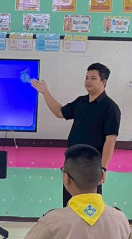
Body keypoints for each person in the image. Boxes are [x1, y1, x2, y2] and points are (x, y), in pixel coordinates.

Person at [31, 62, 121, 205]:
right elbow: (60, 112)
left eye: (93, 78)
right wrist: (45, 92)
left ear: (103, 82)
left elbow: (110, 140)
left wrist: (103, 168)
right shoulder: (81, 102)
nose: (88, 81)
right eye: (86, 77)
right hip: (72, 163)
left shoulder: (110, 107)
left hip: (92, 164)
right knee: (69, 204)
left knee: (89, 206)